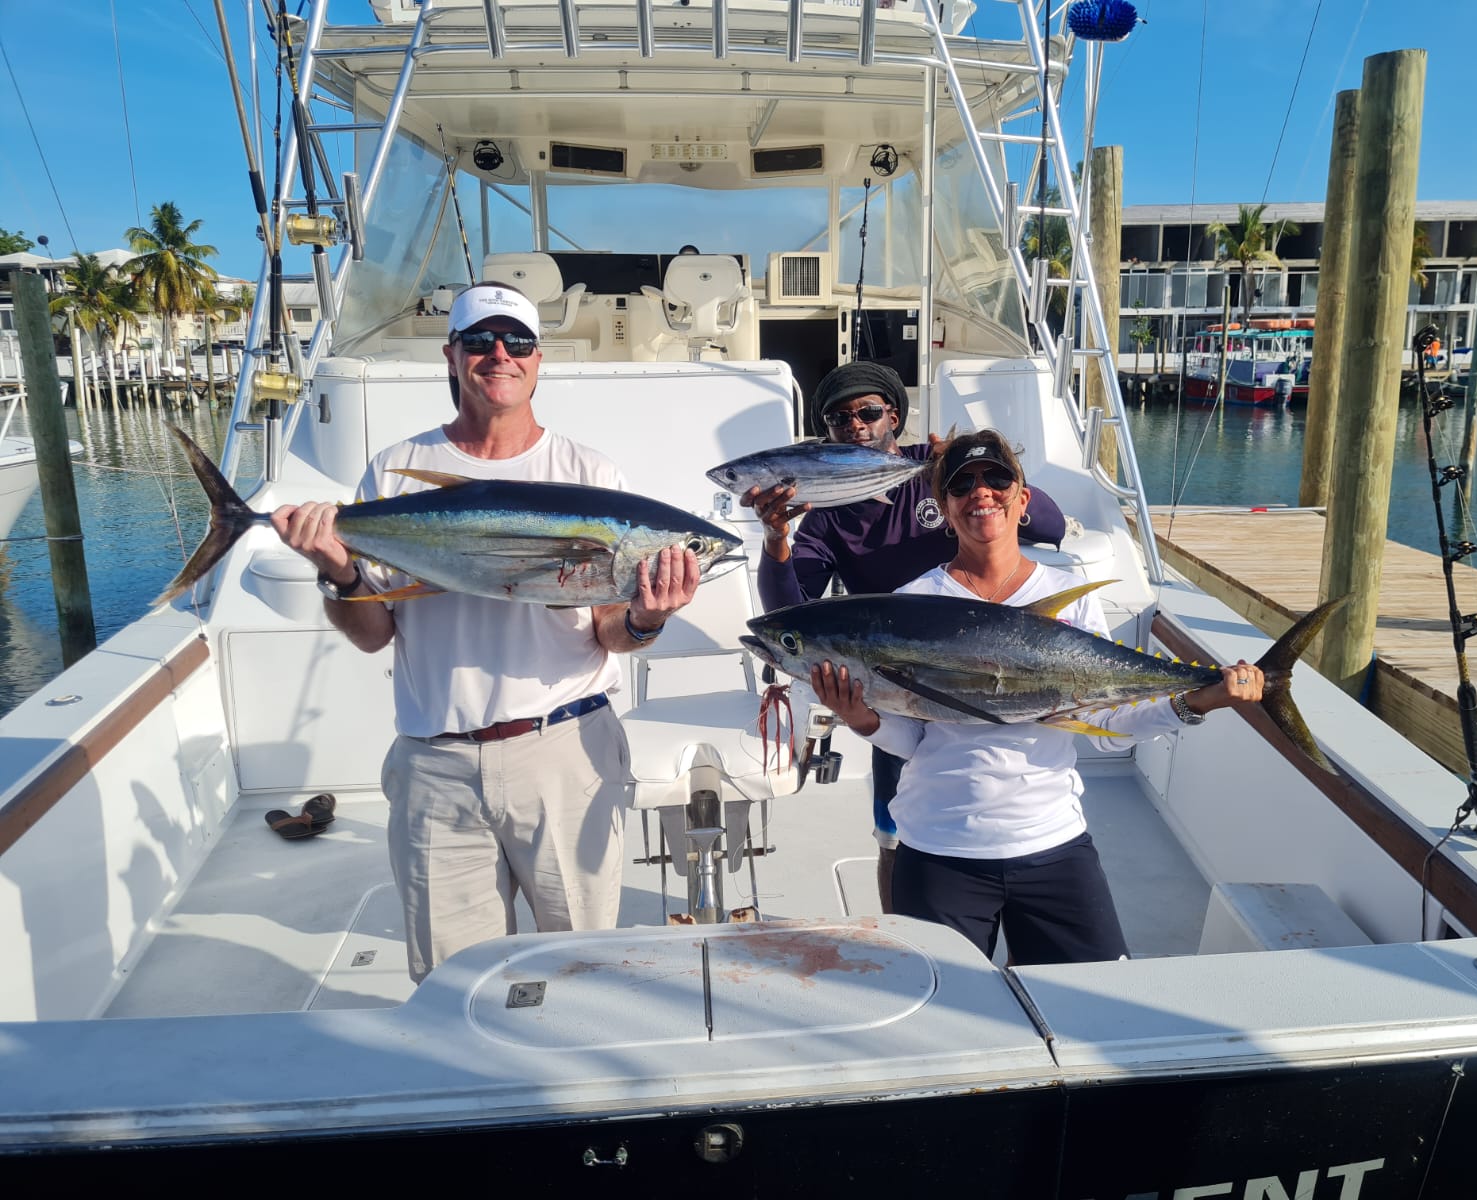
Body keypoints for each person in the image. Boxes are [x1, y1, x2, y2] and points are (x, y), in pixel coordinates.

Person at [271, 280, 702, 982]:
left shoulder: (589, 474)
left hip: (565, 751)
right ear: (452, 355)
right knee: (453, 986)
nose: (498, 354)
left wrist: (648, 617)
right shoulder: (393, 472)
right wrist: (339, 572)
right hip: (437, 764)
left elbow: (608, 634)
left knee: (584, 969)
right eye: (479, 341)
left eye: (517, 342)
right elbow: (373, 634)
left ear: (538, 361)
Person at [808, 429, 1265, 966]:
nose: (982, 493)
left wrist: (1201, 700)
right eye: (961, 484)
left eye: (997, 479)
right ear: (943, 508)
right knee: (944, 1016)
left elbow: (1110, 729)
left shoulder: (1064, 601)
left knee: (1093, 1006)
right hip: (940, 848)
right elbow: (912, 739)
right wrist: (861, 718)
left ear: (1022, 499)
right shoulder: (913, 603)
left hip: (1052, 844)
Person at [742, 363, 1068, 912]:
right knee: (894, 828)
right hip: (897, 677)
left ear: (894, 415)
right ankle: (910, 938)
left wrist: (973, 478)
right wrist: (777, 537)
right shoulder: (825, 511)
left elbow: (1050, 528)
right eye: (839, 418)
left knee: (1024, 799)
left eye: (868, 412)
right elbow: (790, 611)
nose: (856, 425)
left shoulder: (938, 471)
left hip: (989, 663)